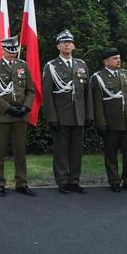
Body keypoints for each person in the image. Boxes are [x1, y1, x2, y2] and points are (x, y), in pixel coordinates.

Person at [42, 29, 93, 194]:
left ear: (73, 45)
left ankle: (74, 180)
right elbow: (47, 94)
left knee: (76, 151)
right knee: (61, 150)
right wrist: (51, 117)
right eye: (64, 42)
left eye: (70, 42)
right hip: (61, 115)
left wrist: (89, 115)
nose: (67, 44)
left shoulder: (81, 65)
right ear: (58, 46)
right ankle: (62, 181)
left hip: (79, 115)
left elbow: (88, 93)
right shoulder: (51, 66)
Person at [0, 36, 37, 197]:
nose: (12, 55)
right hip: (2, 116)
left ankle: (21, 183)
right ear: (3, 50)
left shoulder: (22, 66)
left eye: (14, 52)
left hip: (21, 115)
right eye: (9, 52)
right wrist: (8, 108)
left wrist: (26, 107)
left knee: (20, 152)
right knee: (0, 152)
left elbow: (30, 90)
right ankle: (0, 183)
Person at [91, 49, 127, 193]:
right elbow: (97, 103)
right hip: (111, 122)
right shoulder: (98, 77)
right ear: (106, 61)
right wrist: (100, 123)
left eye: (119, 58)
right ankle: (114, 181)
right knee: (111, 153)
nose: (118, 60)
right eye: (115, 58)